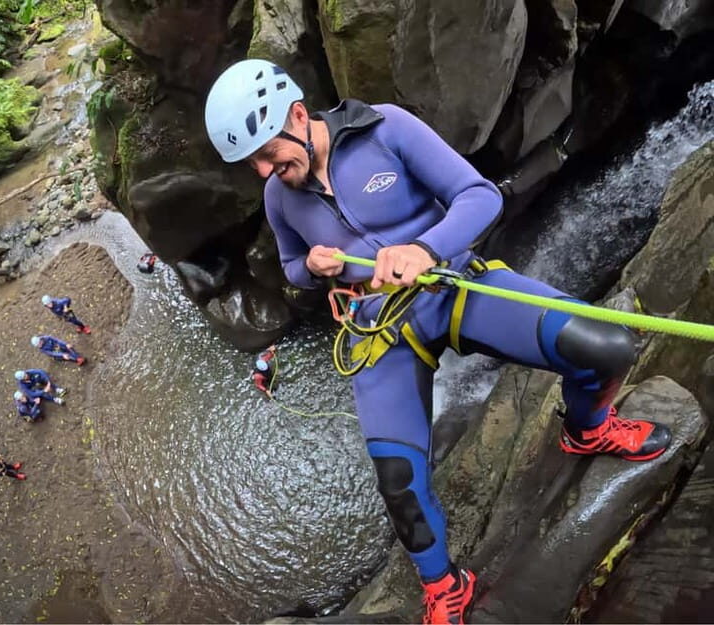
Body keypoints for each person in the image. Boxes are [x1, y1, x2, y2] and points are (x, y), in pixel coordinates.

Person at [204, 59, 673, 625]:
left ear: (298, 116)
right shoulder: (283, 197)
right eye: (251, 163)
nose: (263, 171)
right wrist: (313, 264)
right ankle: (444, 586)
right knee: (398, 482)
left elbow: (480, 197)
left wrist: (424, 250)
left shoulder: (387, 130)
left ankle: (586, 428)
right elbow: (290, 268)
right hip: (381, 329)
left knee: (605, 349)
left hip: (455, 284)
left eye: (267, 154)